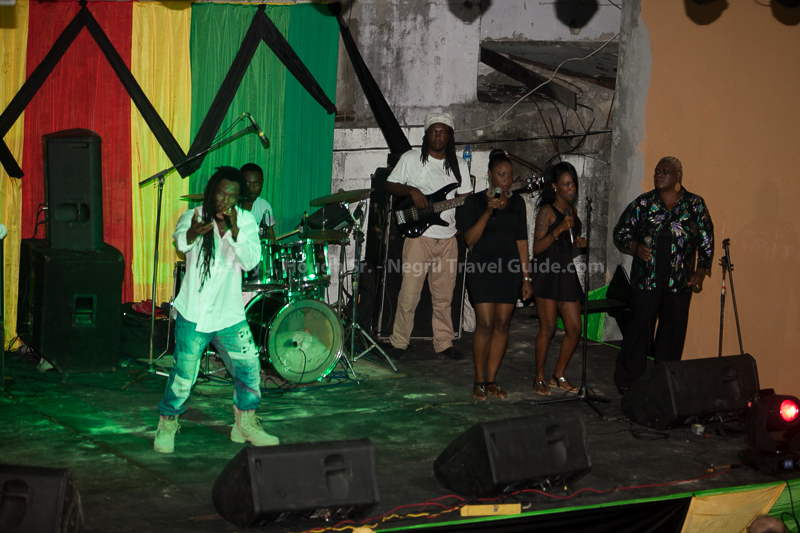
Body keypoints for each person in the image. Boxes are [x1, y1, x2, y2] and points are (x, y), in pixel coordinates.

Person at [154, 166, 279, 454]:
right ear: (212, 191)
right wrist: (193, 233)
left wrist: (234, 232)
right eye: (222, 193)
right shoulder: (195, 215)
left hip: (229, 315)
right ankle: (167, 422)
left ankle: (244, 423)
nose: (226, 200)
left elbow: (250, 262)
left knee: (249, 368)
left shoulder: (245, 221)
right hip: (194, 313)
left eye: (233, 195)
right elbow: (181, 242)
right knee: (184, 376)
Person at [613, 156, 714, 393]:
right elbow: (620, 232)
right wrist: (635, 246)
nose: (658, 174)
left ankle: (664, 384)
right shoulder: (644, 203)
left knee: (672, 333)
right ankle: (628, 382)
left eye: (665, 171)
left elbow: (706, 240)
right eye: (657, 171)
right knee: (639, 329)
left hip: (679, 282)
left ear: (678, 176)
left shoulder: (694, 205)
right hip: (646, 279)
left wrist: (700, 271)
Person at [384, 112, 472, 360]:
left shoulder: (459, 165)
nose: (438, 136)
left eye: (443, 132)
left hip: (447, 239)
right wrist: (412, 190)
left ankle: (444, 343)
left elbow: (465, 199)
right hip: (418, 239)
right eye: (434, 131)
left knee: (444, 297)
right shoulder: (411, 158)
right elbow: (389, 184)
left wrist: (461, 225)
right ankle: (399, 342)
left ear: (450, 136)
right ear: (426, 134)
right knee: (409, 294)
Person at [456, 150, 532, 399]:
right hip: (482, 268)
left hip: (509, 271)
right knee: (486, 323)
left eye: (509, 175)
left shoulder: (517, 204)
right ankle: (478, 380)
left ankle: (491, 380)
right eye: (501, 174)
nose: (506, 180)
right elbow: (469, 240)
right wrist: (488, 212)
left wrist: (526, 278)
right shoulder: (474, 202)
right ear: (490, 175)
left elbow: (522, 242)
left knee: (502, 324)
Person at [530, 161, 587, 396]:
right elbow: (537, 248)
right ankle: (539, 377)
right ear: (554, 186)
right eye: (566, 184)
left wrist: (578, 245)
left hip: (565, 272)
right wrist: (559, 229)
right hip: (547, 272)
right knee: (548, 327)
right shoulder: (547, 211)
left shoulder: (572, 212)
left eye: (573, 183)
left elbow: (565, 247)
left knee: (574, 328)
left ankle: (558, 375)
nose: (571, 188)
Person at [239, 162, 275, 241]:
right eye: (247, 183)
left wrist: (269, 238)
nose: (251, 188)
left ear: (262, 184)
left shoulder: (265, 207)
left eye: (256, 184)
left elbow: (271, 237)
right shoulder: (230, 205)